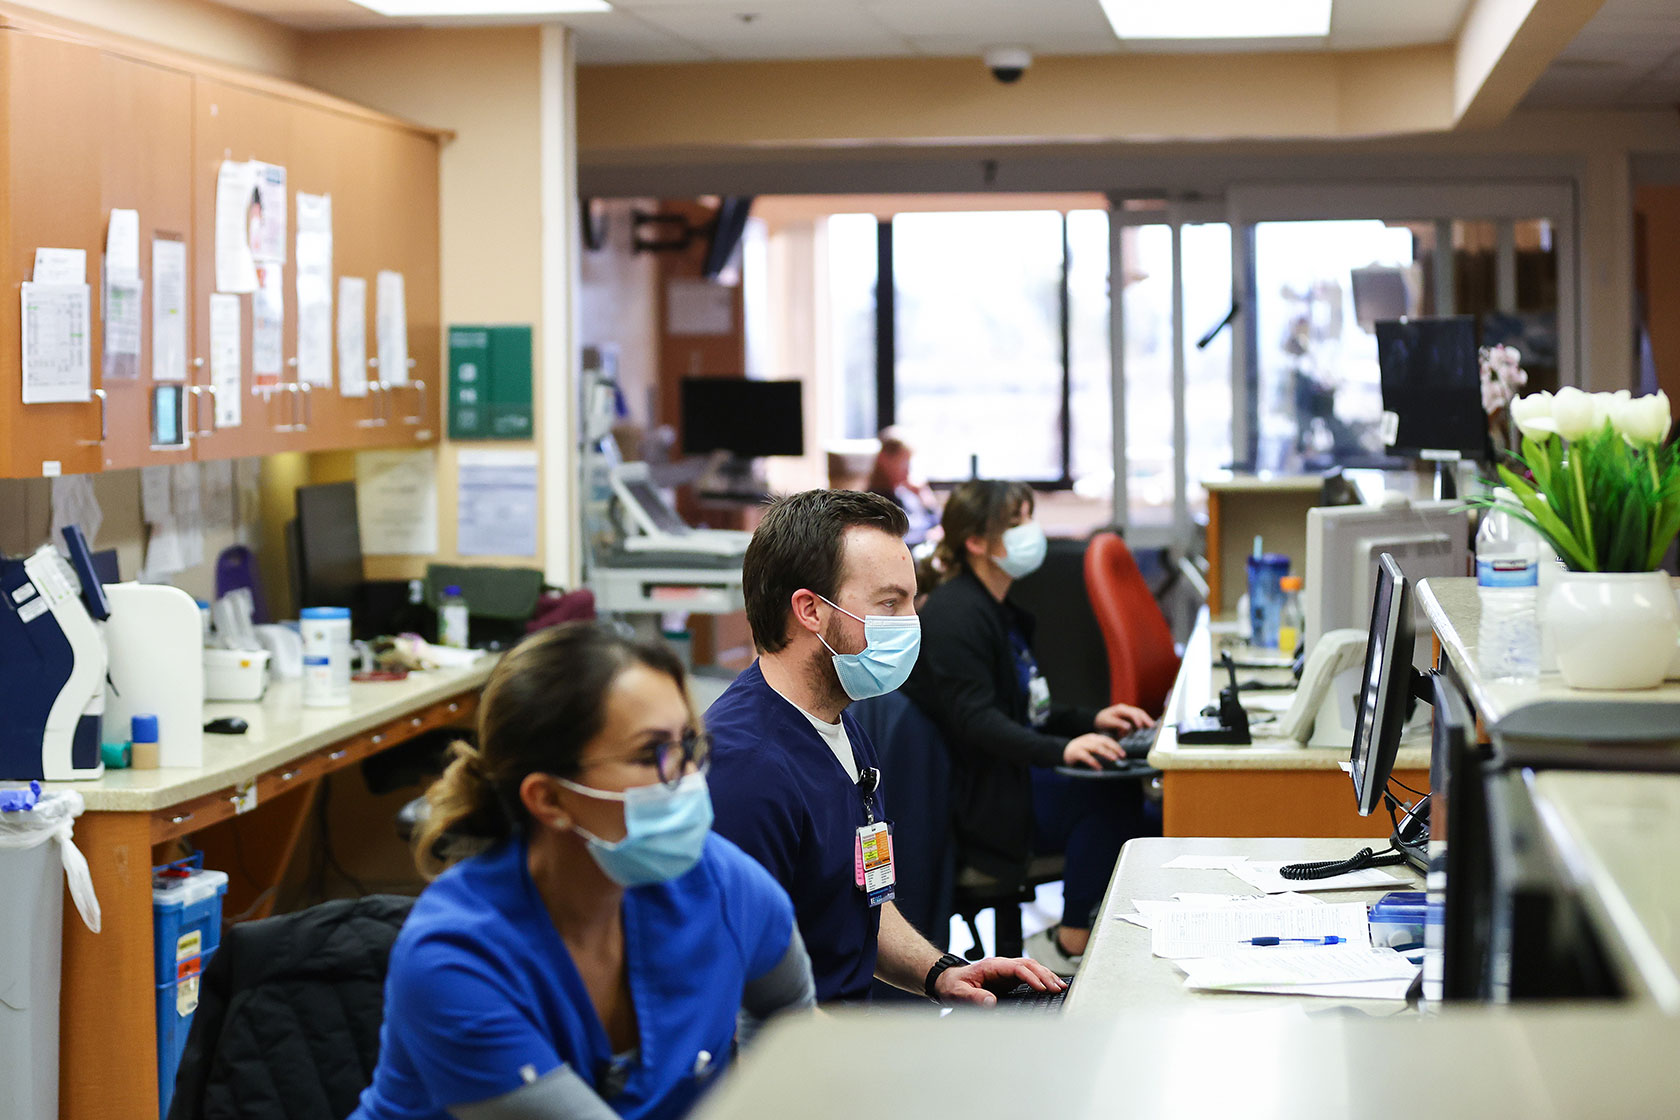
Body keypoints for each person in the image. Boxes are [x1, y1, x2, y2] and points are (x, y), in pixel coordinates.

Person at [352, 623, 814, 1120]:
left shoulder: (719, 885)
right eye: (649, 754)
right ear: (549, 799)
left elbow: (793, 1023)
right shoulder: (457, 958)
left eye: (688, 745)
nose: (686, 778)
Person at [705, 488, 1065, 1006]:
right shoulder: (744, 771)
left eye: (910, 602)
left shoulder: (842, 729)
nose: (911, 623)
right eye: (889, 603)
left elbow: (862, 906)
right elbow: (740, 1005)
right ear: (809, 610)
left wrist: (941, 972)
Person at [902, 480, 1157, 975]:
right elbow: (979, 721)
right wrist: (1063, 751)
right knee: (1105, 795)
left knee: (1134, 804)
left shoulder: (997, 610)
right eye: (1016, 522)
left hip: (1008, 775)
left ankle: (1097, 934)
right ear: (976, 542)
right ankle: (1069, 943)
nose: (1030, 532)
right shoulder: (958, 613)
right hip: (983, 801)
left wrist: (1091, 720)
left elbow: (1028, 706)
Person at [865, 427, 940, 547]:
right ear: (884, 460)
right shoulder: (873, 503)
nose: (907, 470)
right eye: (904, 462)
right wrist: (927, 536)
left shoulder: (904, 493)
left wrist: (925, 496)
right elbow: (893, 541)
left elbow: (934, 523)